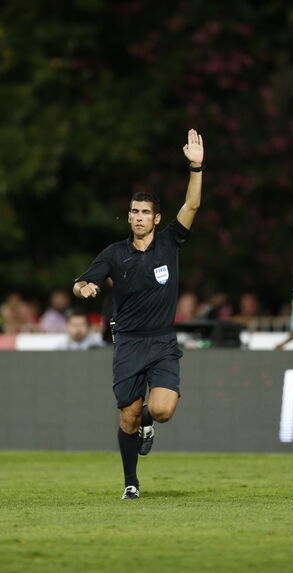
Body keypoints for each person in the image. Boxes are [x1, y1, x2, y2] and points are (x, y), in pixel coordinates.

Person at [72, 128, 204, 500]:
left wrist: (197, 168)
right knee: (127, 416)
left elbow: (191, 207)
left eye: (146, 212)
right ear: (128, 217)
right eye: (134, 212)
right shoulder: (114, 254)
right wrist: (85, 288)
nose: (139, 217)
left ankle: (149, 424)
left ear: (157, 218)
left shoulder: (169, 243)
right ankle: (131, 483)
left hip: (161, 340)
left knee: (161, 410)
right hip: (128, 343)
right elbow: (81, 282)